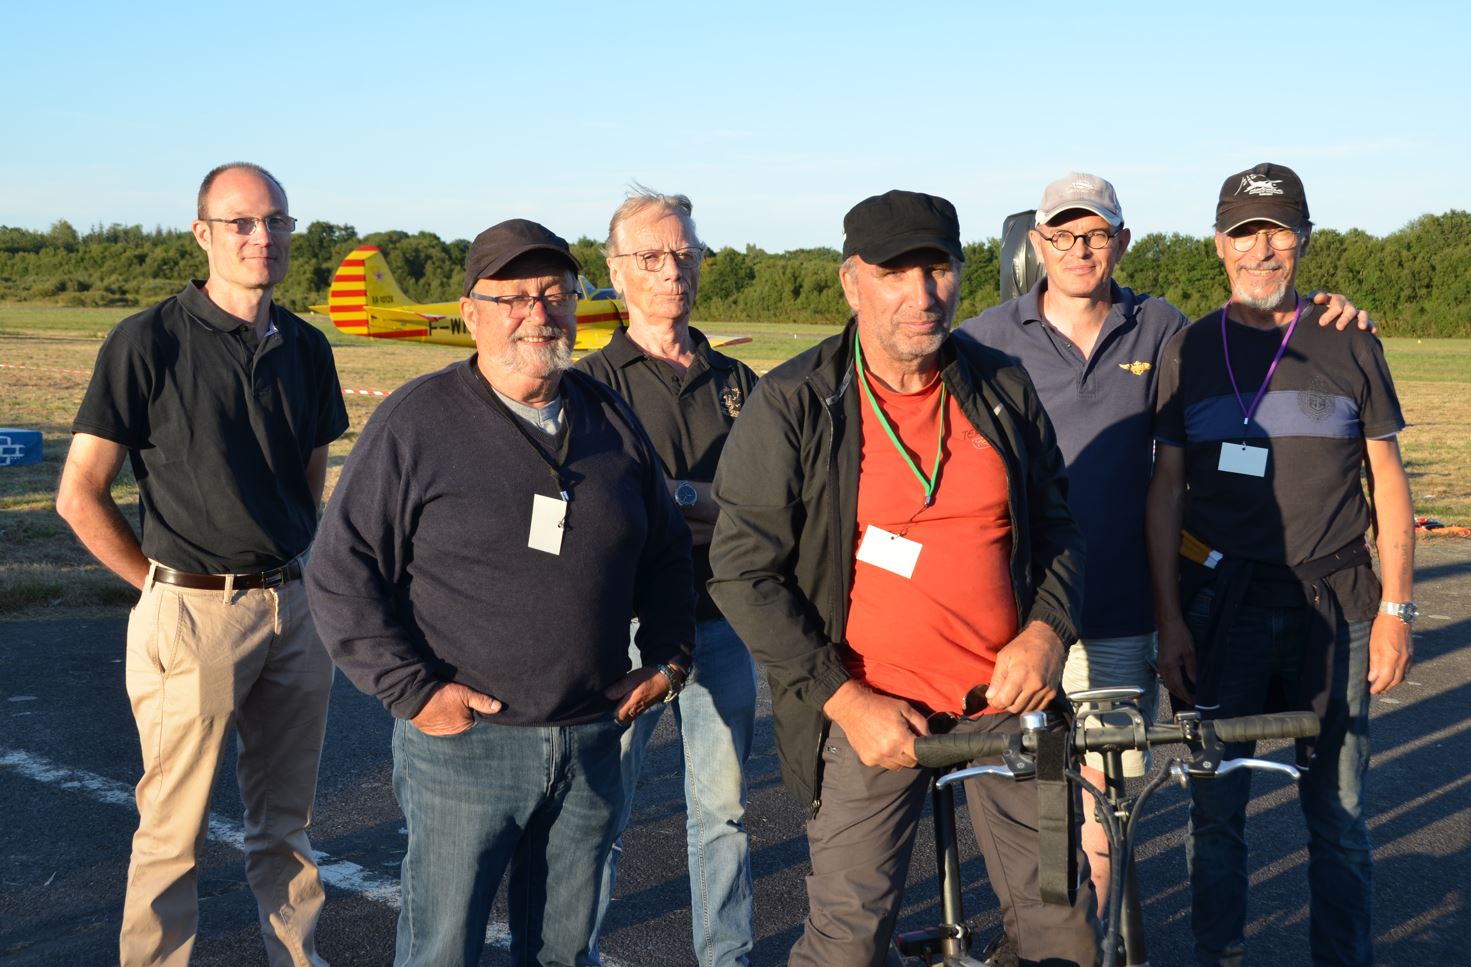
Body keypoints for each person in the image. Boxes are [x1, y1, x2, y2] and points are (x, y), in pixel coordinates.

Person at [958, 172, 1374, 915]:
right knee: (1023, 794)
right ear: (1037, 242)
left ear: (1121, 240)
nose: (1079, 249)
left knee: (1106, 794)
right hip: (1016, 614)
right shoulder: (983, 337)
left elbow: (1247, 333)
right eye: (1062, 234)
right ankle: (1047, 934)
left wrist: (1326, 311)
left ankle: (1104, 941)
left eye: (1095, 234)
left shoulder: (1160, 327)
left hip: (1120, 606)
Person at [709, 189, 1098, 967]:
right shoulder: (794, 401)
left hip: (1008, 707)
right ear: (850, 281)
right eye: (894, 274)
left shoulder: (1001, 386)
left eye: (938, 269)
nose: (921, 295)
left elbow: (1059, 528)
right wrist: (847, 701)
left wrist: (1047, 631)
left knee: (1065, 930)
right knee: (847, 945)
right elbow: (742, 571)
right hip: (870, 714)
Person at [305, 218, 696, 967]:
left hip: (590, 735)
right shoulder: (416, 420)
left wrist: (669, 660)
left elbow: (668, 551)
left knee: (562, 952)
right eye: (511, 296)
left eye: (553, 292)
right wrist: (415, 692)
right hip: (465, 746)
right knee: (441, 952)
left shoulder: (609, 414)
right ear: (471, 312)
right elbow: (339, 568)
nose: (537, 312)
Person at [55, 162, 348, 967]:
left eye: (277, 221)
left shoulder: (309, 348)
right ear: (203, 233)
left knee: (286, 825)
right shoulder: (145, 340)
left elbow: (307, 486)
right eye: (243, 222)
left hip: (293, 608)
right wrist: (154, 584)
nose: (263, 237)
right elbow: (79, 494)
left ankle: (298, 957)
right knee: (172, 833)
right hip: (190, 610)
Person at [1145, 163, 1414, 967]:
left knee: (1336, 814)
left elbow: (1388, 482)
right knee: (1214, 811)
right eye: (1242, 232)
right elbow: (1162, 492)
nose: (1260, 248)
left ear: (1302, 238)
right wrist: (1168, 621)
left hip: (1334, 607)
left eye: (1276, 229)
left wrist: (1397, 611)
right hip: (1215, 606)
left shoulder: (1349, 339)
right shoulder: (1187, 348)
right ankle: (1217, 953)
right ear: (1217, 245)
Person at [575, 188, 758, 967]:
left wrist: (679, 497)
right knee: (597, 810)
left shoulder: (739, 381)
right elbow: (593, 501)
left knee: (722, 814)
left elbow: (763, 499)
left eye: (682, 254)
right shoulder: (589, 384)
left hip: (720, 619)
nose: (669, 270)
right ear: (616, 273)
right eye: (649, 257)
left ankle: (726, 956)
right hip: (623, 631)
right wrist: (692, 497)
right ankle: (568, 950)